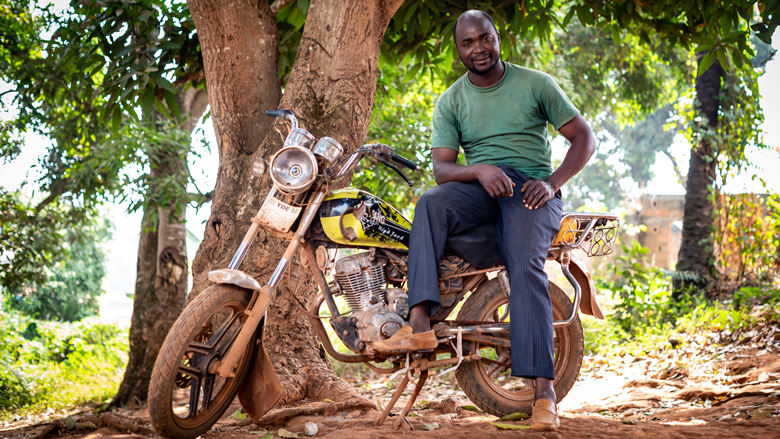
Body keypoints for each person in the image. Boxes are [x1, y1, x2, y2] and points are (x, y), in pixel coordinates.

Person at [370, 9, 595, 431]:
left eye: (484, 38)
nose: (478, 49)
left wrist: (550, 184)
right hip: (481, 189)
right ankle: (419, 324)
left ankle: (544, 395)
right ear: (458, 49)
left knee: (524, 265)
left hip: (530, 189)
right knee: (430, 203)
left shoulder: (535, 84)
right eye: (468, 43)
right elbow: (442, 170)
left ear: (497, 38)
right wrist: (479, 170)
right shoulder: (452, 100)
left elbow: (585, 137)